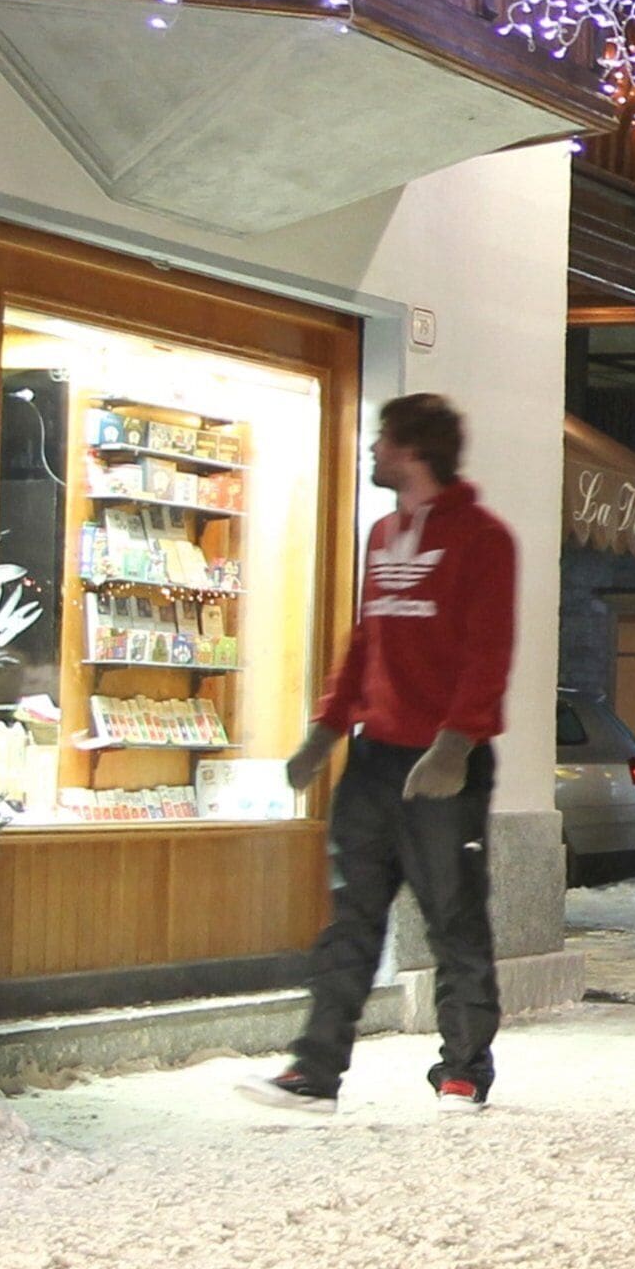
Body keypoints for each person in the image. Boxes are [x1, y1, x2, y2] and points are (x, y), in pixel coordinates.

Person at [246, 395, 516, 1112]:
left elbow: (489, 651)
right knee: (350, 918)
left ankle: (464, 1068)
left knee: (453, 915)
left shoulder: (484, 540)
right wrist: (327, 731)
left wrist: (455, 744)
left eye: (380, 441)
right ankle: (315, 1069)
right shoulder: (381, 534)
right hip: (374, 761)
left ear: (412, 449)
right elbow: (365, 640)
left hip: (444, 764)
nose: (372, 452)